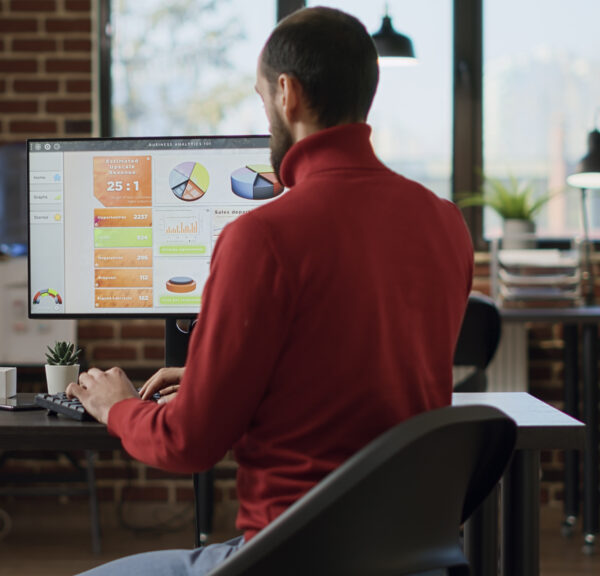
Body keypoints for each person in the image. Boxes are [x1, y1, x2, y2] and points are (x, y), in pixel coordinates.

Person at [67, 6, 474, 575]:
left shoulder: (260, 237)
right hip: (410, 557)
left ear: (287, 94)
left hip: (290, 556)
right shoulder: (445, 223)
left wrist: (120, 409)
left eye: (262, 101)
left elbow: (188, 444)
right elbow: (365, 376)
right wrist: (238, 379)